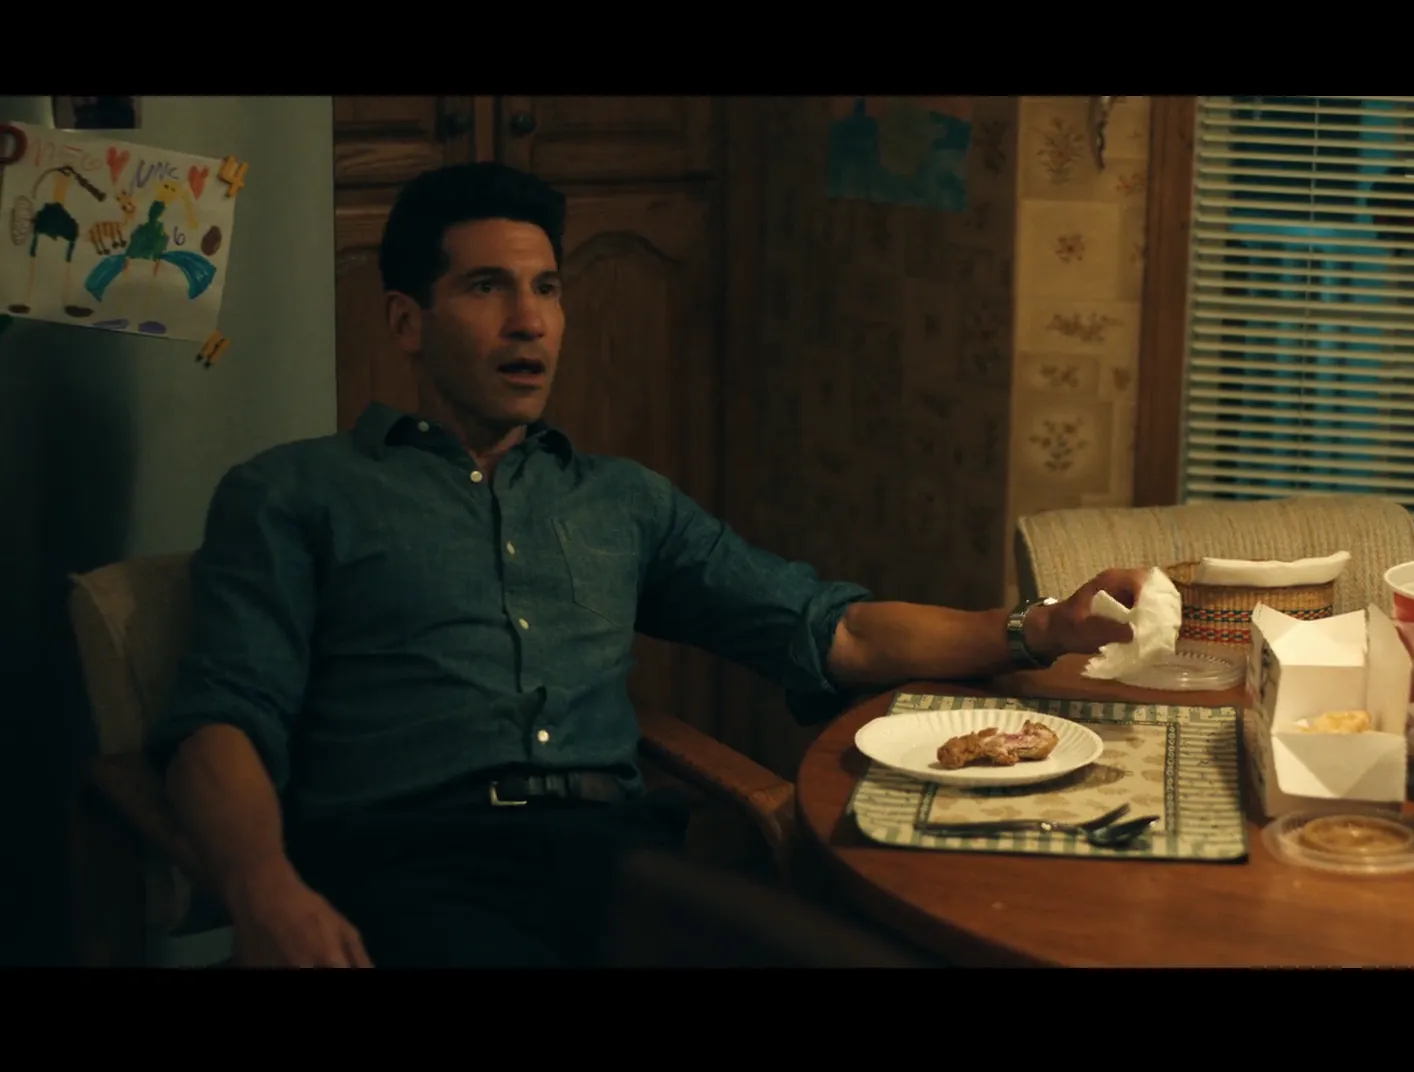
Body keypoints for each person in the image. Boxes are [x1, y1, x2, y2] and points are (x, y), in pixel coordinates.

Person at [148, 161, 1147, 967]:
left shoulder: (619, 500)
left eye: (547, 288)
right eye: (487, 288)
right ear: (408, 321)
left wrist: (1037, 625)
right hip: (412, 868)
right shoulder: (295, 493)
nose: (530, 321)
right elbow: (221, 720)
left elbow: (829, 627)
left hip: (619, 869)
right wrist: (263, 889)